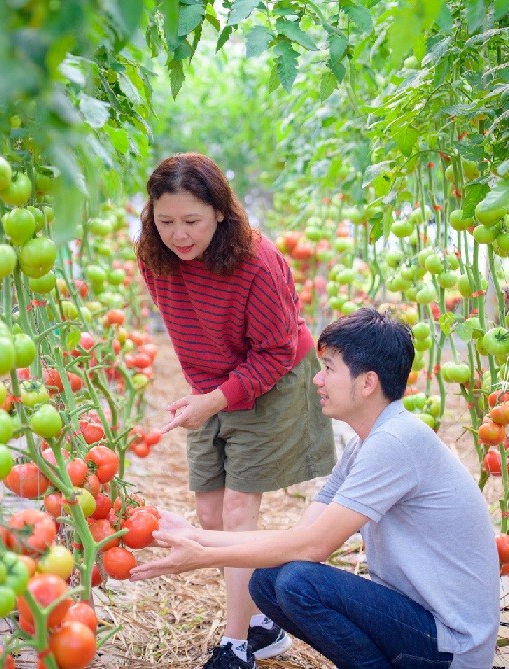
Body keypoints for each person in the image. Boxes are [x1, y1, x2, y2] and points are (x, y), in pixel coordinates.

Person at [130, 308, 501, 669]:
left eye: (328, 369)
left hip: (452, 644)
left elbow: (313, 548)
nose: (316, 380)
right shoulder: (366, 443)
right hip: (417, 622)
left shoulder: (396, 442)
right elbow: (301, 537)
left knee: (298, 582)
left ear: (367, 382)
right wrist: (195, 536)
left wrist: (201, 555)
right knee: (268, 581)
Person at [136, 153, 336, 669]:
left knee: (238, 514)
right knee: (210, 516)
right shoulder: (154, 255)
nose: (178, 235)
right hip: (210, 386)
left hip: (271, 381)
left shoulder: (257, 262)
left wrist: (216, 399)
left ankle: (237, 644)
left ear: (221, 212)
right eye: (166, 221)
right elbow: (190, 324)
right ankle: (267, 622)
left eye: (192, 221)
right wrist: (205, 394)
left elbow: (272, 352)